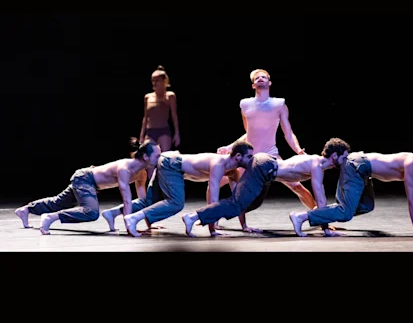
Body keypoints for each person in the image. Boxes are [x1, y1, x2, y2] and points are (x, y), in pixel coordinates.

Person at [182, 137, 351, 237]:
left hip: (265, 166)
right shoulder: (317, 166)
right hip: (264, 167)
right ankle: (193, 217)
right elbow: (320, 199)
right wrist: (326, 229)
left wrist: (324, 225)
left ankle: (196, 217)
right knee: (235, 204)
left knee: (240, 203)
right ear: (334, 155)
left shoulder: (315, 162)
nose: (346, 160)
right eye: (344, 157)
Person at [213, 69, 316, 228]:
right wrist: (230, 147)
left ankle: (318, 216)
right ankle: (211, 218)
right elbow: (248, 133)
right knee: (219, 180)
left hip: (270, 154)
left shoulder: (279, 104)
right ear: (254, 85)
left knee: (296, 186)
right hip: (250, 156)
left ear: (269, 83)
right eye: (257, 78)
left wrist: (298, 151)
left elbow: (288, 133)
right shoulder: (245, 104)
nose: (260, 79)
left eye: (264, 77)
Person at [100, 140, 254, 237]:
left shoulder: (233, 172)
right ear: (238, 157)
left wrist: (244, 226)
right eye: (249, 157)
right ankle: (133, 218)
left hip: (169, 162)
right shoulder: (219, 164)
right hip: (171, 164)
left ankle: (112, 213)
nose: (251, 160)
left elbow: (237, 199)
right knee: (176, 202)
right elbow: (213, 198)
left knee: (150, 201)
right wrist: (212, 230)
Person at [289, 149, 413, 237]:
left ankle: (323, 214)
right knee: (346, 212)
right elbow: (411, 199)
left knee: (366, 205)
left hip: (363, 171)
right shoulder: (411, 162)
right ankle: (302, 216)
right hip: (357, 166)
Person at [14, 138, 161, 235]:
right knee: (91, 212)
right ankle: (52, 217)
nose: (160, 159)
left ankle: (26, 209)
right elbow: (127, 200)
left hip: (90, 184)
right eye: (157, 156)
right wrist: (130, 228)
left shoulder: (141, 173)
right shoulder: (125, 168)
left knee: (57, 202)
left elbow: (142, 201)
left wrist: (148, 222)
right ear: (146, 157)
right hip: (85, 179)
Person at [137, 65, 180, 180]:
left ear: (164, 81)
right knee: (149, 163)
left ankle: (164, 189)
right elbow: (145, 117)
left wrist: (177, 133)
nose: (154, 83)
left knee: (163, 160)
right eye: (153, 80)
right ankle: (152, 191)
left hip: (164, 131)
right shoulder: (148, 97)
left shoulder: (169, 96)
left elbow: (174, 115)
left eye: (157, 80)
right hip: (150, 132)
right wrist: (141, 136)